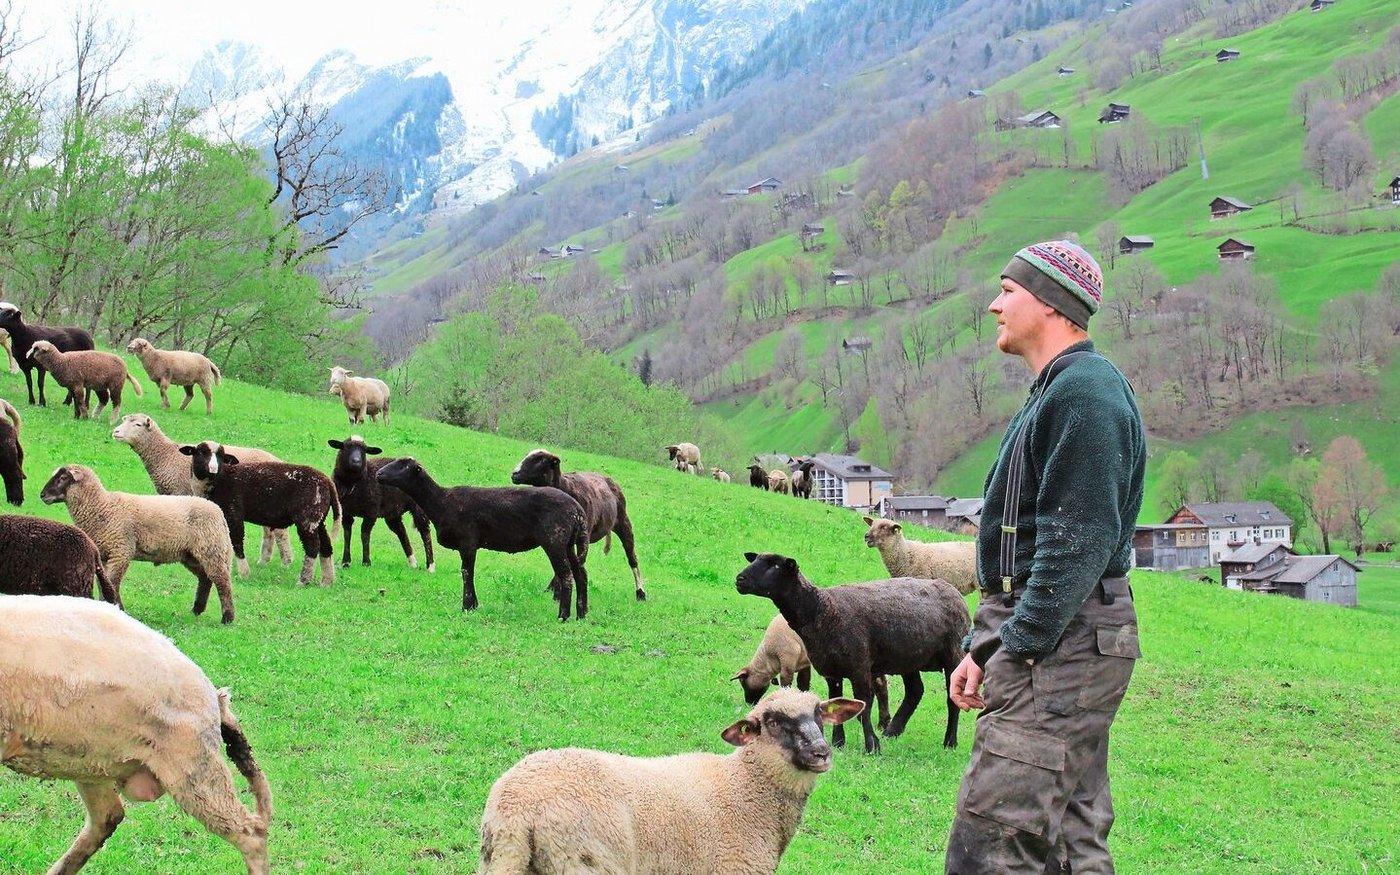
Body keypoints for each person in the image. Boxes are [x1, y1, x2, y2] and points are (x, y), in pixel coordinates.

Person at [944, 240, 1145, 875]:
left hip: (1059, 644)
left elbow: (1076, 543)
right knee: (1065, 843)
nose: (993, 304)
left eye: (1008, 290)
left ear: (1051, 303)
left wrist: (1017, 645)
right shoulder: (1062, 388)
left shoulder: (1085, 393)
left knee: (994, 847)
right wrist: (985, 646)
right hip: (1058, 637)